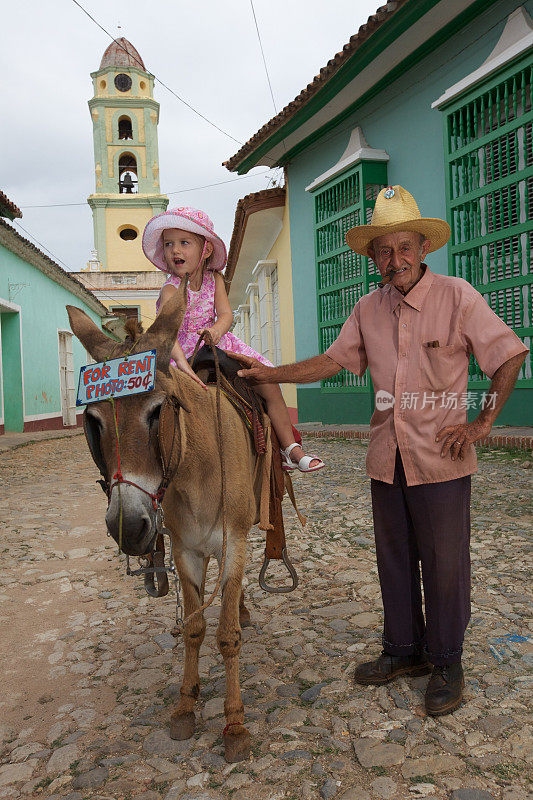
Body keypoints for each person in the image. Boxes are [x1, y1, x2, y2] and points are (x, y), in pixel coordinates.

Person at [234, 186, 528, 716]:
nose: (396, 260)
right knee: (393, 561)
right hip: (386, 457)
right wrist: (270, 374)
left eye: (405, 247)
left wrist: (483, 421)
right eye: (384, 251)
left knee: (444, 563)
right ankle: (404, 651)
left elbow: (507, 354)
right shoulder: (367, 308)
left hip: (441, 458)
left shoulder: (458, 297)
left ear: (423, 247)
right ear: (373, 257)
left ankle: (445, 660)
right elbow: (331, 362)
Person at [141, 206, 324, 472]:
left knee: (267, 379)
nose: (175, 250)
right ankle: (153, 467)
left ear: (205, 250)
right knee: (154, 406)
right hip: (179, 352)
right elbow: (166, 333)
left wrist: (215, 331)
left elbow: (225, 314)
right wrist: (182, 364)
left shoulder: (214, 280)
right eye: (168, 244)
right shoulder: (169, 290)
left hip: (216, 345)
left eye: (184, 243)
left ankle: (290, 448)